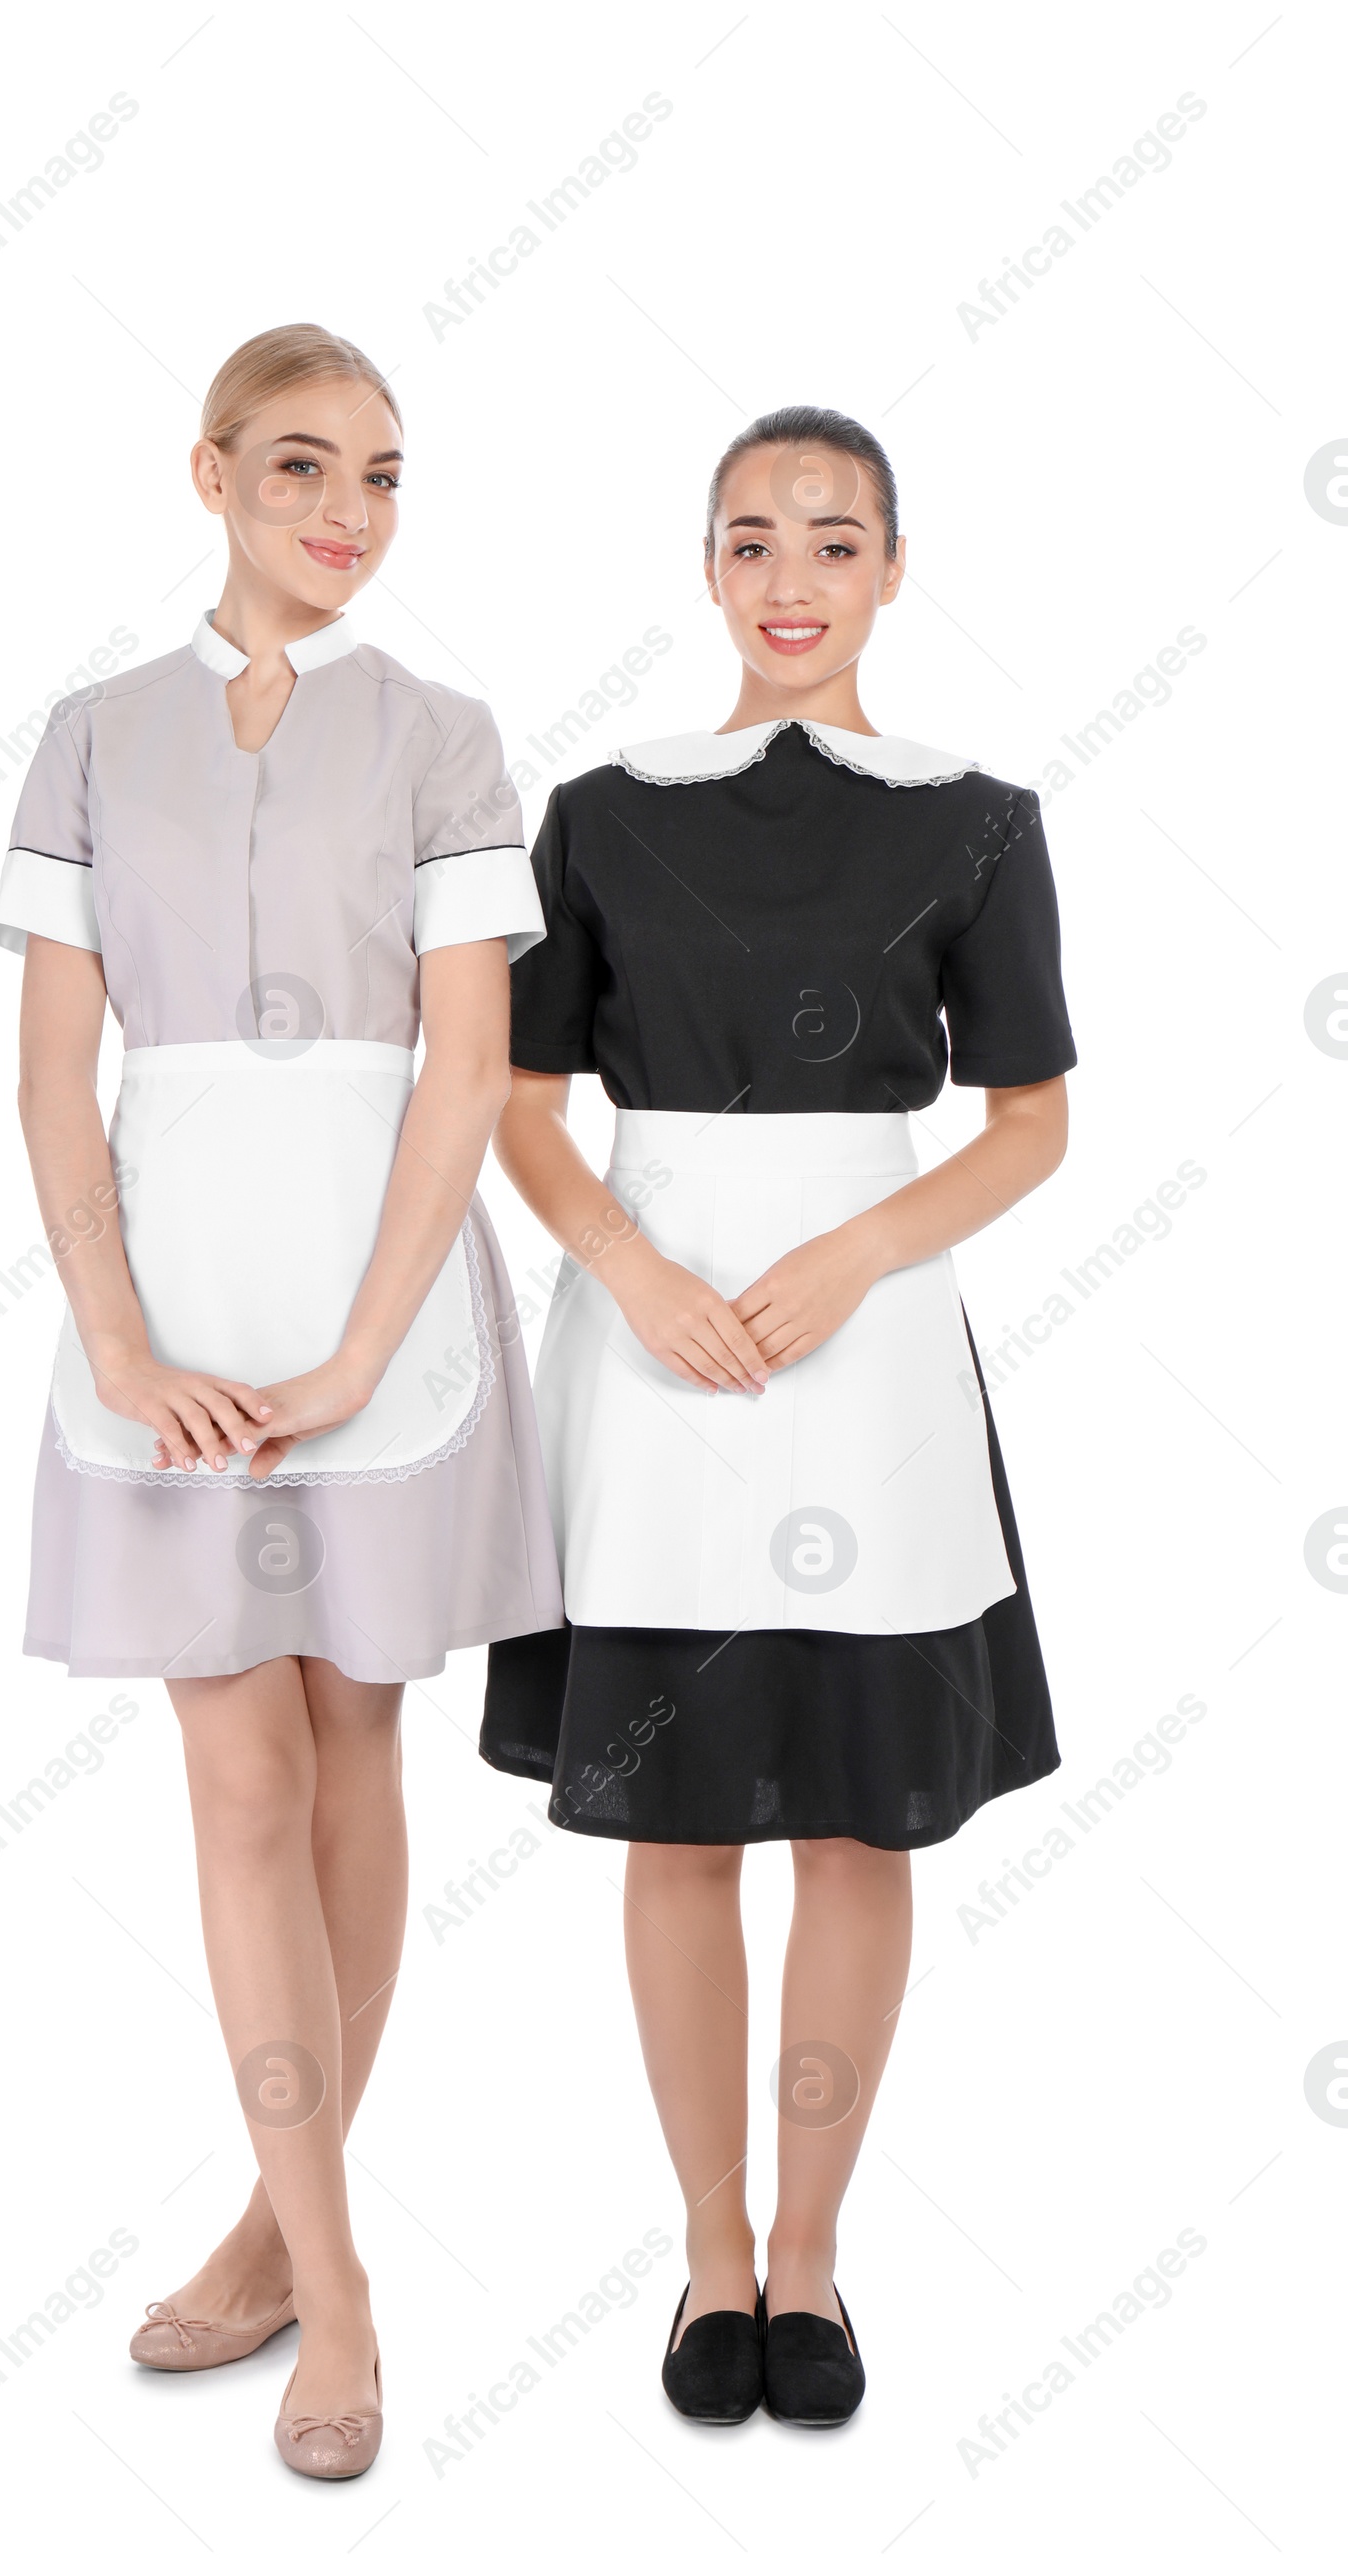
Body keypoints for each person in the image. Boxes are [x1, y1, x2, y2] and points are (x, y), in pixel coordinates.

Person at [0, 323, 561, 2479]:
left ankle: (267, 2229)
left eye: (387, 477)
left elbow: (468, 1069)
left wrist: (345, 1354)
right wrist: (123, 1341)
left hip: (377, 1310)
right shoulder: (92, 737)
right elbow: (57, 1074)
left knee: (343, 1763)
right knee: (230, 1784)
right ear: (209, 473)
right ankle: (340, 2288)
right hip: (164, 1312)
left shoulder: (442, 735)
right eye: (305, 467)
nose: (350, 515)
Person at [482, 405, 1075, 2428]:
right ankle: (703, 2260)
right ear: (707, 572)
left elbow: (1028, 1125)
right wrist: (632, 1270)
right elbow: (510, 1100)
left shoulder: (974, 814)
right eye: (750, 541)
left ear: (891, 570)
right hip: (652, 1345)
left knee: (848, 1808)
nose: (790, 577)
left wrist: (856, 1252)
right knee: (669, 1814)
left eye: (832, 540)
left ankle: (807, 2272)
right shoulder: (594, 808)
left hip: (869, 1356)